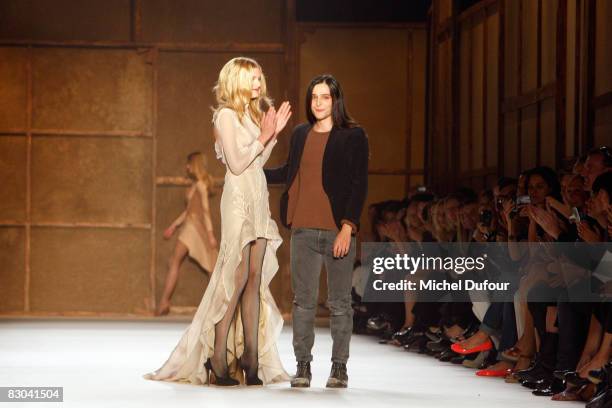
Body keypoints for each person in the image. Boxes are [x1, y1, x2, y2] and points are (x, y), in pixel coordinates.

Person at [145, 56, 292, 386]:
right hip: (238, 198)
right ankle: (217, 357)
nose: (259, 81)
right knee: (234, 280)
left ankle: (251, 360)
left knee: (255, 279)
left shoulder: (253, 114)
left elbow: (258, 162)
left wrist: (272, 135)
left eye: (259, 76)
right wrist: (264, 135)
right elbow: (238, 164)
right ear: (236, 81)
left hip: (257, 195)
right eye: (251, 77)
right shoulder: (225, 115)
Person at [265, 74, 369, 388]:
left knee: (340, 303)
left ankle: (339, 368)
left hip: (338, 229)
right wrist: (250, 168)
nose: (318, 103)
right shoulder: (300, 134)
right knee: (303, 302)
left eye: (325, 97)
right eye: (314, 97)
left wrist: (348, 227)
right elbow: (288, 171)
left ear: (336, 100)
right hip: (303, 231)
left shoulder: (353, 135)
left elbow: (358, 183)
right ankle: (303, 367)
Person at [156, 152, 219, 316]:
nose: (186, 167)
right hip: (189, 226)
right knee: (179, 262)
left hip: (195, 228)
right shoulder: (195, 185)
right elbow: (188, 211)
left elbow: (205, 210)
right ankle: (164, 302)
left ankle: (218, 305)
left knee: (210, 266)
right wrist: (173, 226)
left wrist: (211, 235)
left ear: (194, 164)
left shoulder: (201, 185)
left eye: (188, 164)